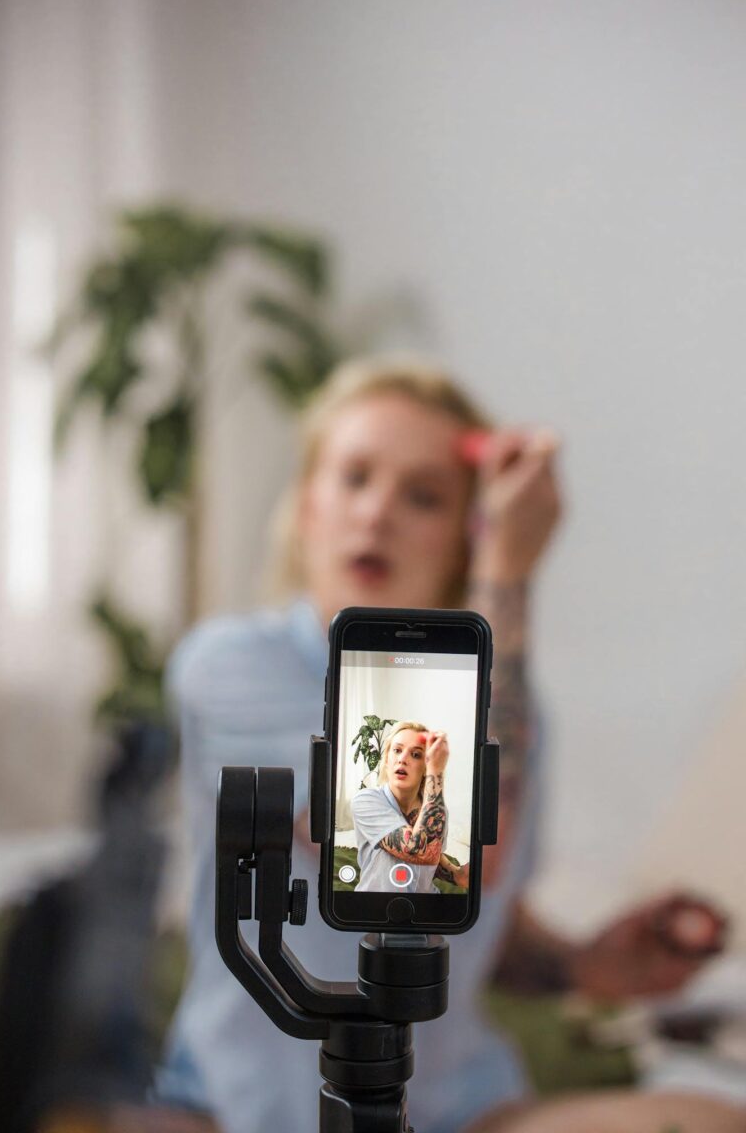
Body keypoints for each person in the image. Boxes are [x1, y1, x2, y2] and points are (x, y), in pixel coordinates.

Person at [157, 355, 740, 1133]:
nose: (377, 514)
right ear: (305, 506)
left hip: (455, 1109)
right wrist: (509, 572)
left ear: (463, 534)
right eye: (354, 478)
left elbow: (469, 920)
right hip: (252, 1108)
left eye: (423, 495)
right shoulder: (231, 664)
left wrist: (585, 964)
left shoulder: (516, 712)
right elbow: (414, 866)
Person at [351, 722, 465, 893]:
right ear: (387, 760)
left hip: (425, 909)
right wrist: (437, 771)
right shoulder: (366, 800)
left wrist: (455, 873)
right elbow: (419, 851)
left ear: (425, 767)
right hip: (373, 906)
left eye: (416, 754)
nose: (402, 759)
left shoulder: (436, 810)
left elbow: (432, 853)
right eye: (397, 750)